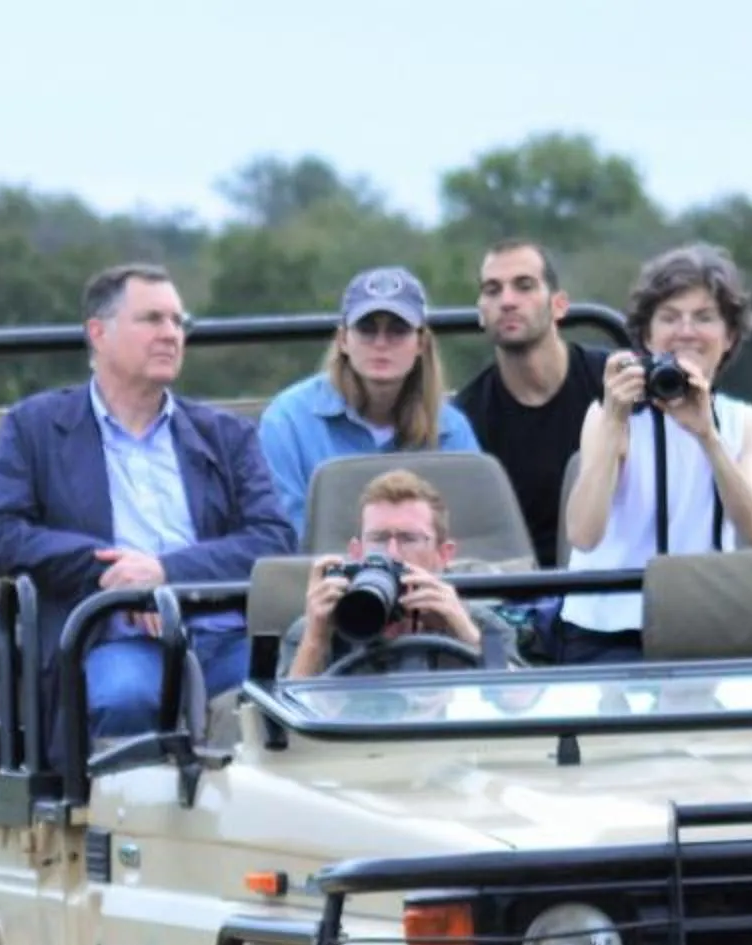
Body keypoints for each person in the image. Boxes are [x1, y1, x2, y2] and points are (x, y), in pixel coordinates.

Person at [0, 262, 294, 743]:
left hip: (223, 630)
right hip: (111, 633)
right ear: (98, 333)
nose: (171, 334)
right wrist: (110, 572)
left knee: (295, 694)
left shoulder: (226, 436)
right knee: (129, 699)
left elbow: (274, 539)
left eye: (178, 322)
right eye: (153, 320)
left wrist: (165, 572)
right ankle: (121, 821)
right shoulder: (34, 427)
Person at [554, 243, 752, 665]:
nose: (686, 331)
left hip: (711, 623)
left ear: (729, 336)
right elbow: (583, 534)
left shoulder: (747, 424)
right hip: (610, 629)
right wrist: (614, 423)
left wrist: (708, 437)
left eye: (704, 317)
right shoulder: (607, 415)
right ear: (646, 335)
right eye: (670, 317)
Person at [256, 266, 480, 525]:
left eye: (398, 329)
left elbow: (469, 531)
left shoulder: (452, 430)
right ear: (342, 340)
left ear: (421, 343)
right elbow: (284, 536)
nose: (381, 343)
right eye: (366, 328)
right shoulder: (287, 422)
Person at [449, 239, 607, 569]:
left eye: (524, 286)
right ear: (481, 312)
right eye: (492, 290)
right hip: (516, 598)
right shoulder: (464, 419)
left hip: (612, 580)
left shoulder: (614, 384)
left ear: (560, 305)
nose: (507, 301)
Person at [283, 468, 523, 680]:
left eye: (410, 539)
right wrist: (315, 640)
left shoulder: (481, 624)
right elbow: (277, 727)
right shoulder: (319, 626)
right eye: (378, 539)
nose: (393, 554)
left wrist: (466, 634)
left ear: (444, 554)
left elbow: (521, 705)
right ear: (356, 553)